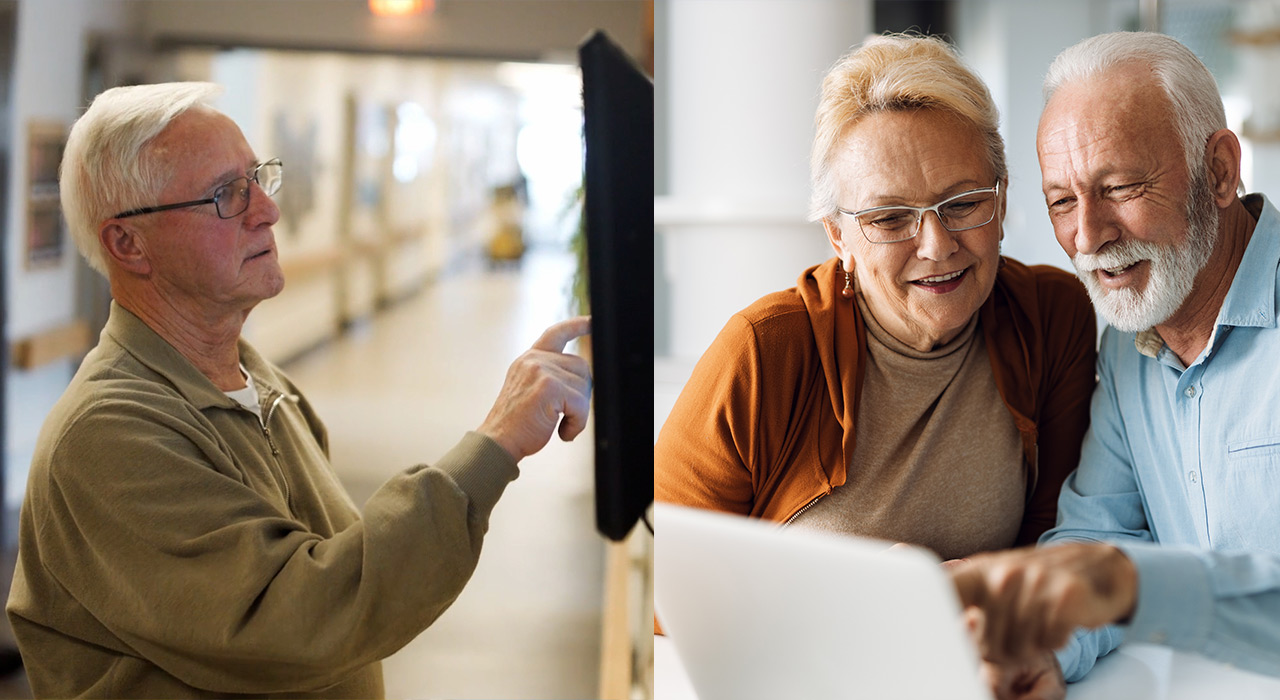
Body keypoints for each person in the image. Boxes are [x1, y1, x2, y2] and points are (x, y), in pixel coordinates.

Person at [4, 82, 591, 698]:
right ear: (129, 243)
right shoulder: (109, 434)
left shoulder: (261, 383)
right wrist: (494, 446)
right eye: (226, 194)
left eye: (258, 177)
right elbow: (302, 617)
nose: (267, 209)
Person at [655, 34, 1096, 582]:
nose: (936, 245)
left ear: (1001, 202)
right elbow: (663, 577)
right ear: (838, 237)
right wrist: (853, 598)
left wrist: (982, 589)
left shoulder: (1052, 315)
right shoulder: (762, 350)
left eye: (962, 204)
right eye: (889, 218)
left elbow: (1056, 529)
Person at [951, 31, 1280, 699]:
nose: (1090, 236)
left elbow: (1109, 576)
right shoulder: (1128, 352)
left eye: (1122, 186)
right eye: (1063, 202)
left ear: (1218, 171)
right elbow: (1097, 535)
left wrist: (1129, 587)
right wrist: (1039, 648)